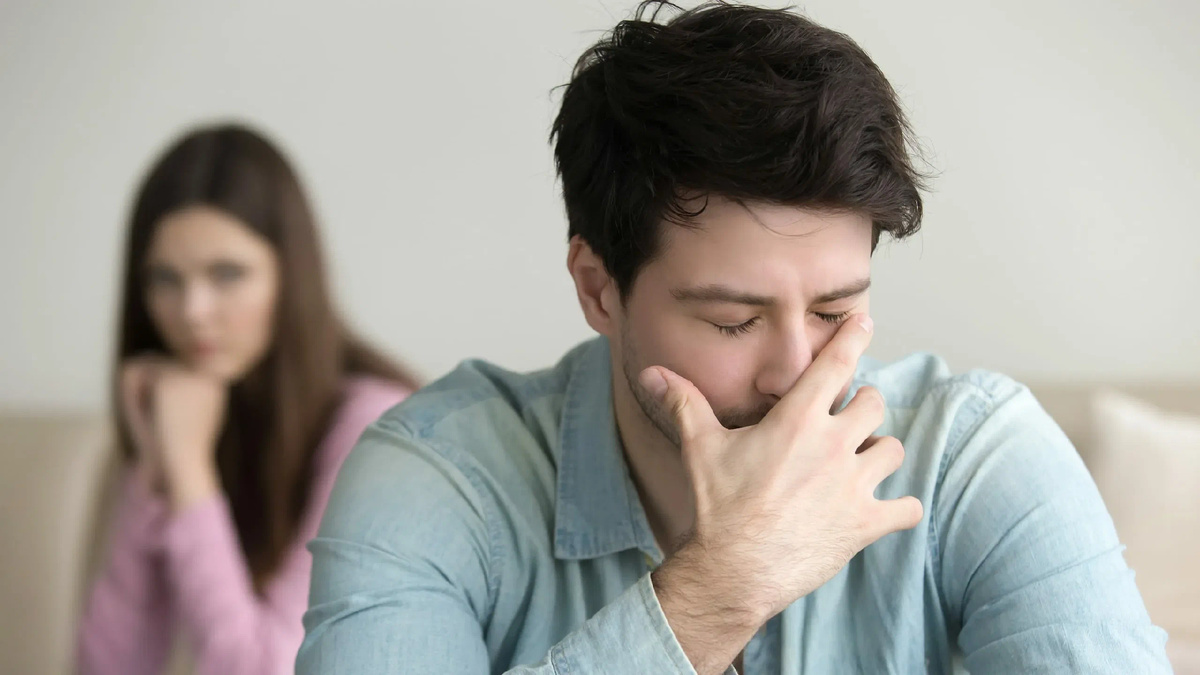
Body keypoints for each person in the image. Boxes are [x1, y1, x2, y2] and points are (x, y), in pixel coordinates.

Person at [297, 3, 1171, 673]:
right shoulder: (438, 475)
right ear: (598, 287)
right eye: (733, 320)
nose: (797, 371)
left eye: (834, 310)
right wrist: (720, 587)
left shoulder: (971, 456)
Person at [76, 124, 418, 675]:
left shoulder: (375, 426)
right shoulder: (203, 413)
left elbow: (265, 669)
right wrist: (154, 469)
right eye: (165, 278)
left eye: (227, 273)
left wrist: (189, 471)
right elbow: (108, 667)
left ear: (290, 273)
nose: (192, 311)